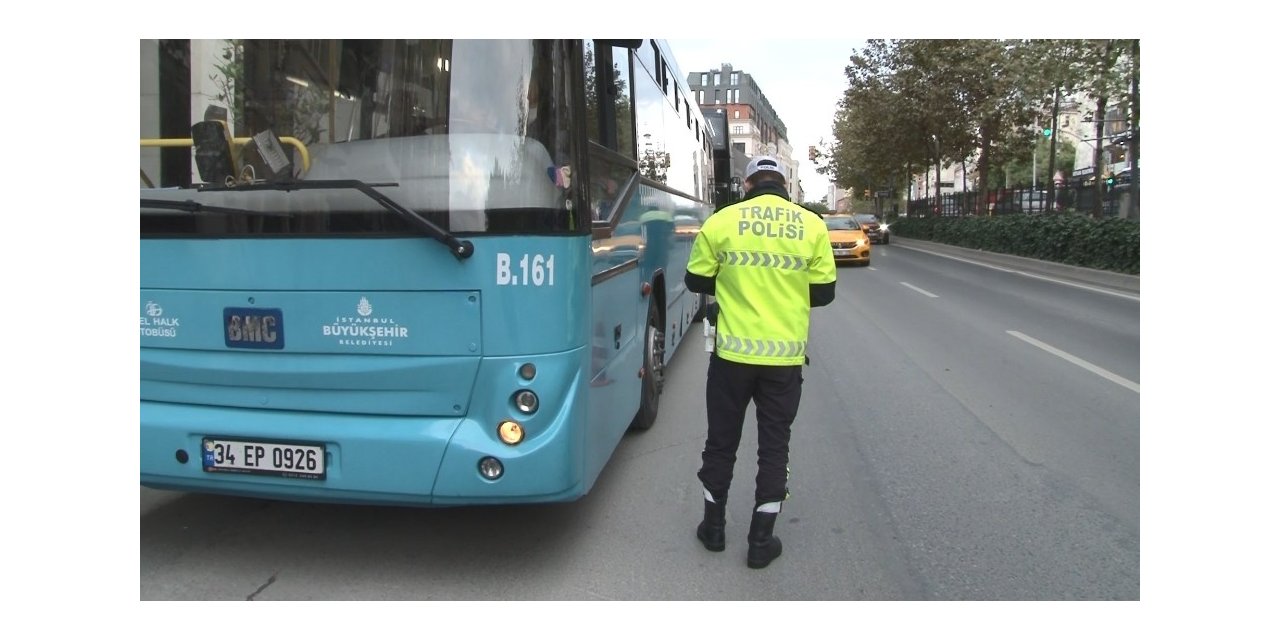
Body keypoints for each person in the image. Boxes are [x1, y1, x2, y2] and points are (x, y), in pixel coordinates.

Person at [684, 155, 837, 569]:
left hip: (731, 356)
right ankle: (760, 541)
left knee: (721, 441)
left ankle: (713, 530)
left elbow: (695, 280)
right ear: (785, 186)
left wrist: (736, 282)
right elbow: (823, 294)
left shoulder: (722, 221)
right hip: (783, 360)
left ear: (747, 183)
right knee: (774, 446)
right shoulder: (812, 226)